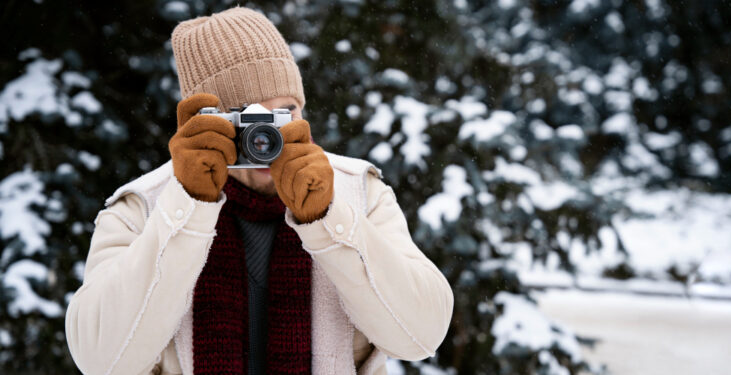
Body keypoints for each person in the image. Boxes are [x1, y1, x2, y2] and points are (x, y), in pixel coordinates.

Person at [65, 7, 453, 375]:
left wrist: (328, 218)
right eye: (247, 119)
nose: (267, 136)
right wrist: (188, 208)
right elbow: (101, 360)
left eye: (284, 112)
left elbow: (421, 336)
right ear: (206, 122)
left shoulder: (358, 193)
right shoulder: (144, 207)